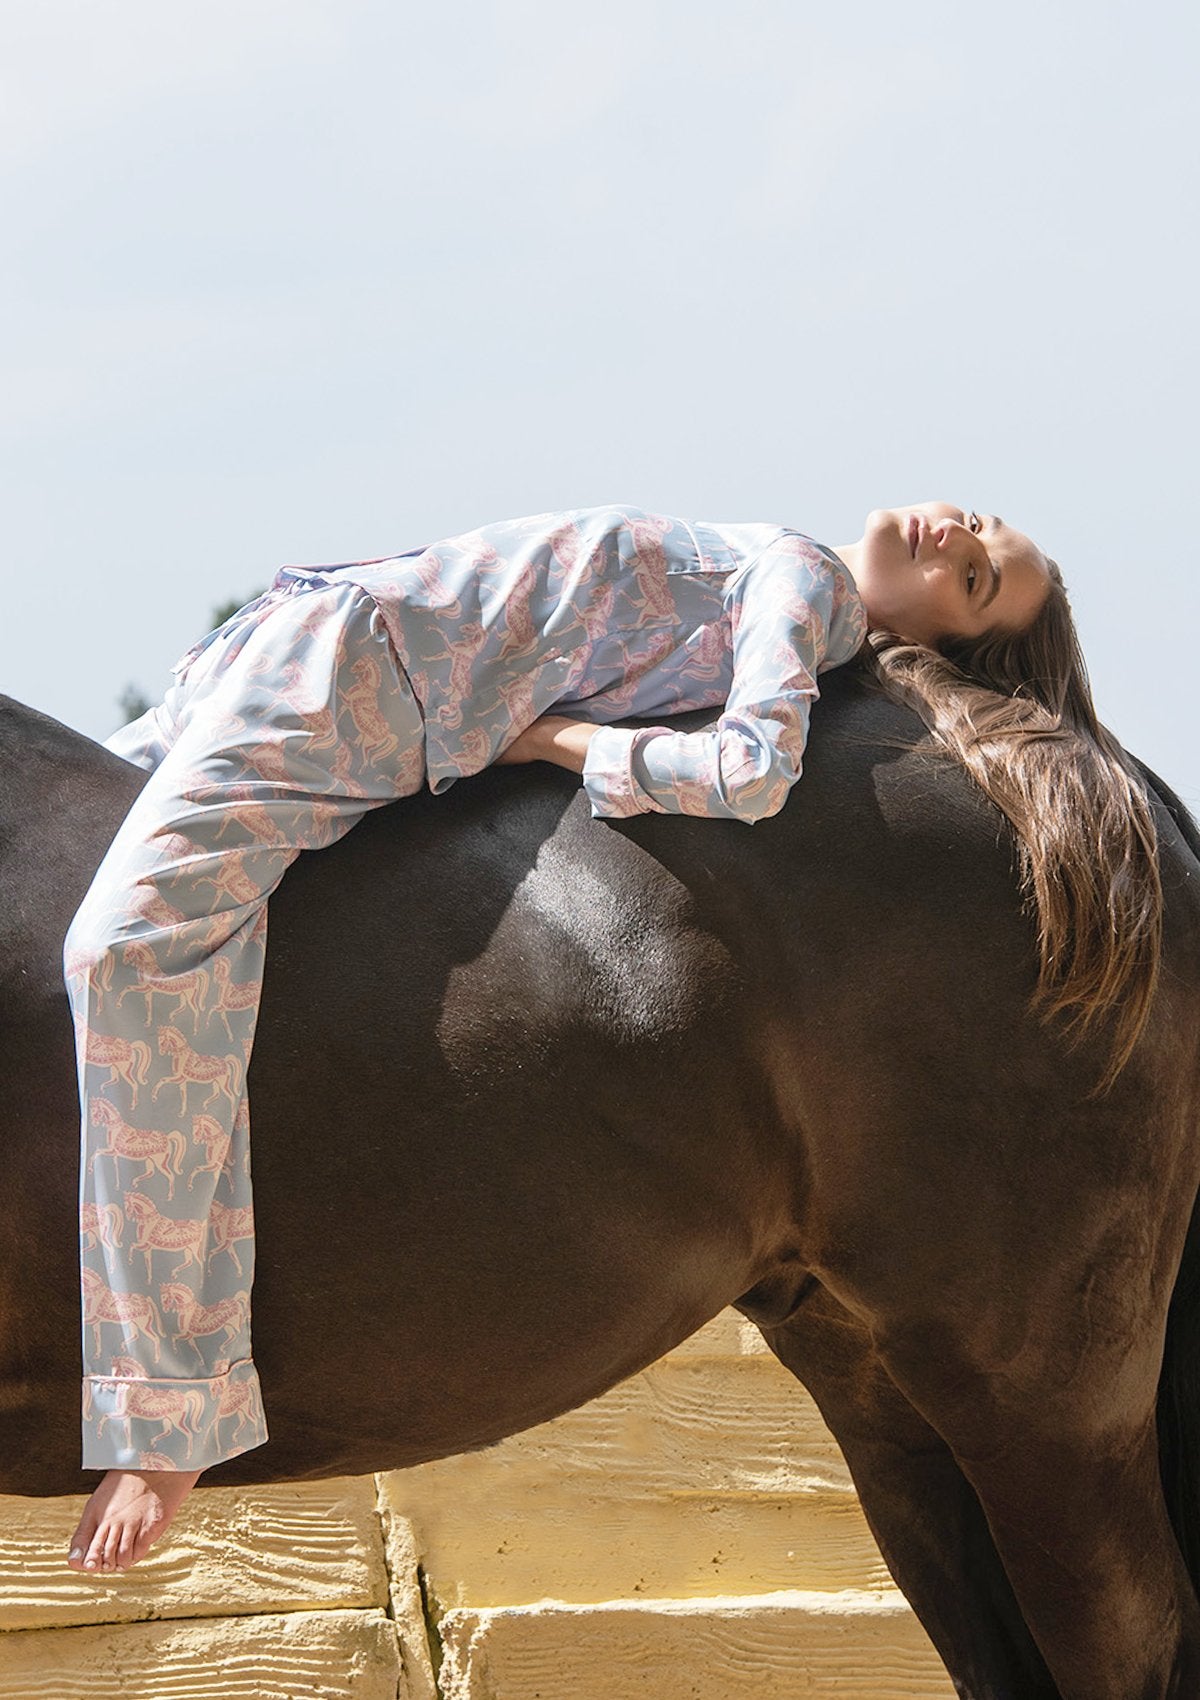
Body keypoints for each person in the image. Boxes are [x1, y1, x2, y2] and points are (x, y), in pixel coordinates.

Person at [63, 499, 1157, 1575]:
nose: (956, 535)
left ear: (926, 639)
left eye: (974, 579)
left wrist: (566, 743)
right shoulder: (787, 566)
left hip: (356, 684)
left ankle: (168, 1409)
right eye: (980, 521)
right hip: (300, 643)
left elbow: (752, 769)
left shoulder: (802, 584)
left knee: (124, 950)